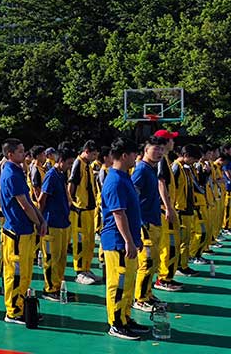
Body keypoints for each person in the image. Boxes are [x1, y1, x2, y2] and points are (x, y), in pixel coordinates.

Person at [100, 137, 150, 340]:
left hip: (128, 239)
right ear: (124, 156)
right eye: (133, 155)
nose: (136, 158)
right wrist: (128, 240)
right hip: (117, 241)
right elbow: (118, 214)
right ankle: (116, 323)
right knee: (118, 284)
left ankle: (125, 317)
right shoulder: (114, 181)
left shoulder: (125, 177)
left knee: (128, 283)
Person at [0, 139, 46, 324]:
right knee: (15, 273)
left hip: (24, 230)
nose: (24, 154)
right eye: (20, 151)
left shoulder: (18, 172)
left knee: (25, 272)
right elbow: (25, 205)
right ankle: (13, 311)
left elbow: (29, 202)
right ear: (10, 154)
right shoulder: (11, 174)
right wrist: (38, 222)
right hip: (16, 231)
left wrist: (40, 219)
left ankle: (22, 307)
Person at [131, 136, 167, 311]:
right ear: (146, 150)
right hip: (145, 223)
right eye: (155, 149)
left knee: (153, 262)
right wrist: (138, 222)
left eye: (161, 149)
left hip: (154, 221)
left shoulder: (152, 169)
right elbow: (133, 197)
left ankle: (148, 293)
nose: (159, 152)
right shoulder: (141, 170)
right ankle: (140, 298)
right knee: (146, 262)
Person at [37, 146, 76, 302]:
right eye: (68, 163)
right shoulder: (51, 176)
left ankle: (58, 285)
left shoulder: (61, 174)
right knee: (51, 258)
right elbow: (42, 199)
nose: (70, 167)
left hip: (62, 223)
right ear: (60, 161)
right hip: (51, 223)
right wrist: (41, 221)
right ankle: (49, 289)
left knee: (61, 258)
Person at [153, 130, 182, 292]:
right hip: (164, 210)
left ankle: (167, 276)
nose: (174, 143)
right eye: (172, 140)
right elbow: (161, 183)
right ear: (165, 142)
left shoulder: (165, 160)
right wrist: (168, 207)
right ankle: (163, 278)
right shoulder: (161, 161)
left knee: (171, 244)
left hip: (168, 208)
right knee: (167, 245)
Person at [68, 140, 100, 284]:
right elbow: (72, 184)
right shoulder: (78, 163)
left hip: (89, 209)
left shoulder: (87, 165)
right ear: (86, 151)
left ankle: (86, 268)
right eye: (93, 154)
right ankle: (79, 271)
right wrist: (72, 203)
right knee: (80, 242)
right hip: (80, 209)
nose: (95, 157)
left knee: (89, 241)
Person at [173, 144, 201, 277]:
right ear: (186, 156)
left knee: (186, 239)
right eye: (193, 159)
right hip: (180, 210)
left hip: (187, 208)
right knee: (182, 240)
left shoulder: (186, 169)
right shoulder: (176, 168)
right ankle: (179, 266)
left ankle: (184, 264)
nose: (194, 162)